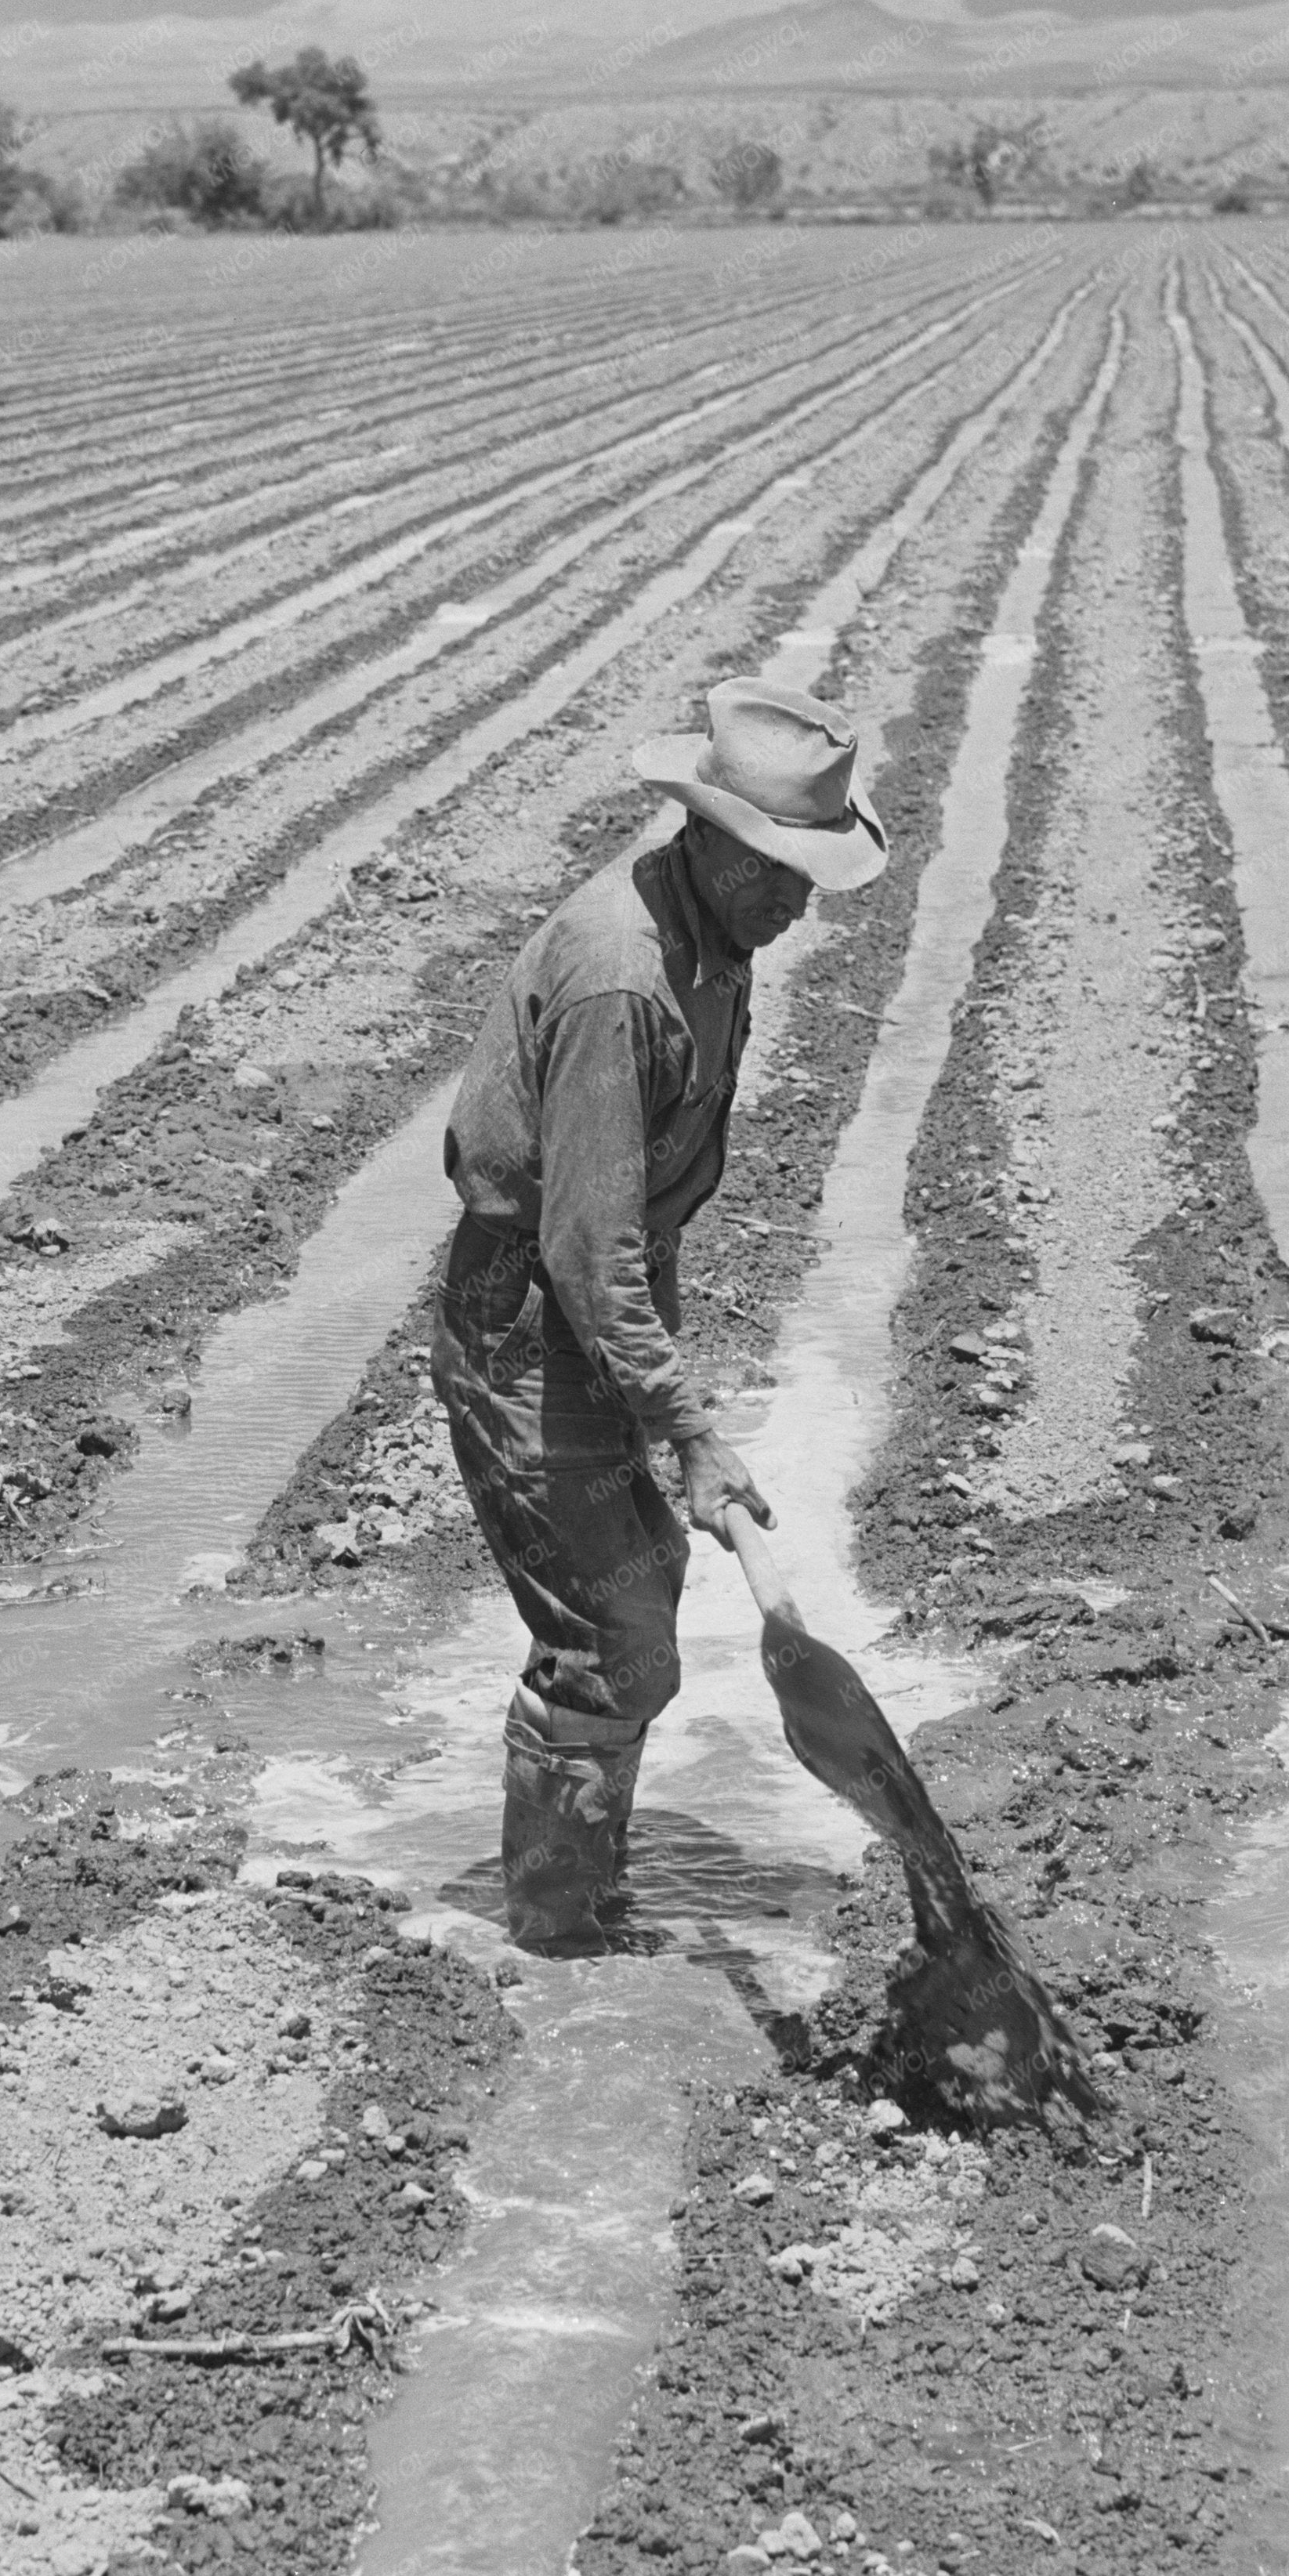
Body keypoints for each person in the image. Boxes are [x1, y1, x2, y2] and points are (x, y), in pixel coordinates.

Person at [433, 677, 889, 1954]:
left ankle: (584, 1888)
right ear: (704, 838)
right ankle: (558, 1933)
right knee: (609, 1633)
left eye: (809, 874)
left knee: (639, 1588)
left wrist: (662, 1404)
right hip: (525, 1317)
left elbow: (631, 1222)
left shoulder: (714, 942)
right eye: (778, 874)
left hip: (585, 1306)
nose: (798, 903)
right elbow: (587, 1246)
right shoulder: (620, 983)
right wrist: (687, 1427)